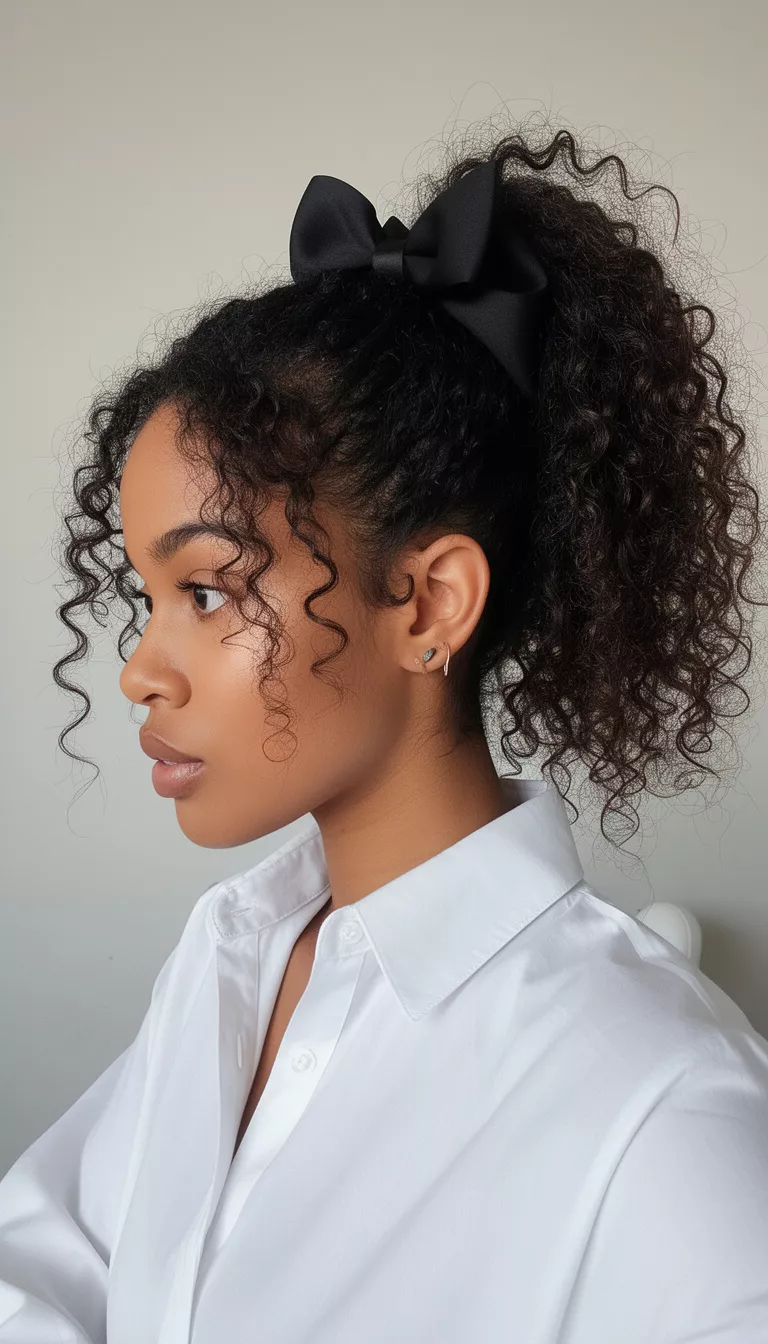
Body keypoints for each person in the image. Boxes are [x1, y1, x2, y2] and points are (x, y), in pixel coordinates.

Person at [1, 119, 767, 1343]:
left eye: (205, 591)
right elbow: (48, 1265)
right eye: (148, 601)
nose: (141, 670)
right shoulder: (236, 953)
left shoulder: (666, 1112)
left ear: (426, 603)